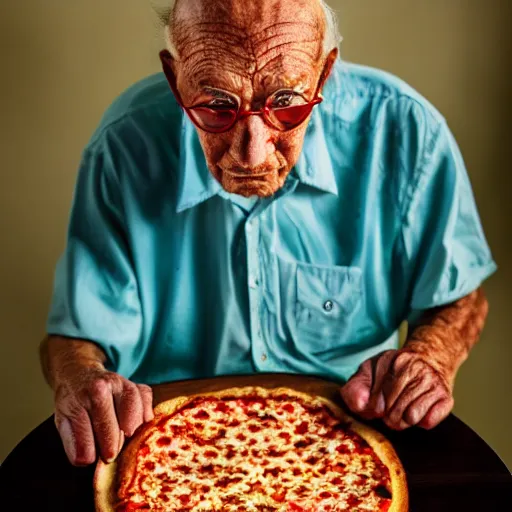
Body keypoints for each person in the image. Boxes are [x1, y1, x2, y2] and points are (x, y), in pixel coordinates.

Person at [39, 0, 496, 467]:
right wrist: (81, 376)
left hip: (346, 448)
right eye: (217, 105)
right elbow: (79, 332)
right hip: (171, 452)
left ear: (324, 73)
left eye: (285, 103)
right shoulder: (123, 146)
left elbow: (458, 295)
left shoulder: (405, 133)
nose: (252, 154)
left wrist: (431, 356)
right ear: (176, 80)